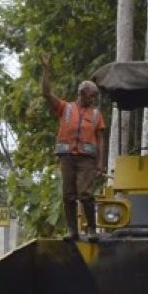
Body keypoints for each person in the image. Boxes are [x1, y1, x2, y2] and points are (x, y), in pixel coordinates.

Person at [41, 56, 107, 241]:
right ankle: (73, 231)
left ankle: (91, 230)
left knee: (85, 193)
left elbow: (100, 139)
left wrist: (100, 162)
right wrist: (46, 71)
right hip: (67, 156)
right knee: (68, 194)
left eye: (95, 96)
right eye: (92, 95)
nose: (94, 99)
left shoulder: (96, 114)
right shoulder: (66, 108)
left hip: (87, 159)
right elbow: (46, 94)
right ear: (82, 93)